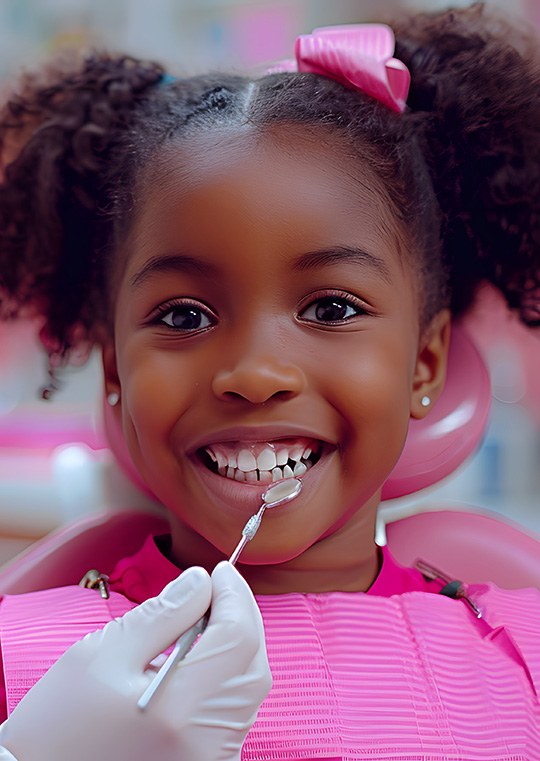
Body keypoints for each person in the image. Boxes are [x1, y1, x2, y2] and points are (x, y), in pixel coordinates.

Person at [0, 2, 539, 759]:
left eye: (329, 307)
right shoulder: (21, 662)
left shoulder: (523, 660)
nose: (254, 373)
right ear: (115, 368)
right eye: (184, 316)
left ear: (425, 363)